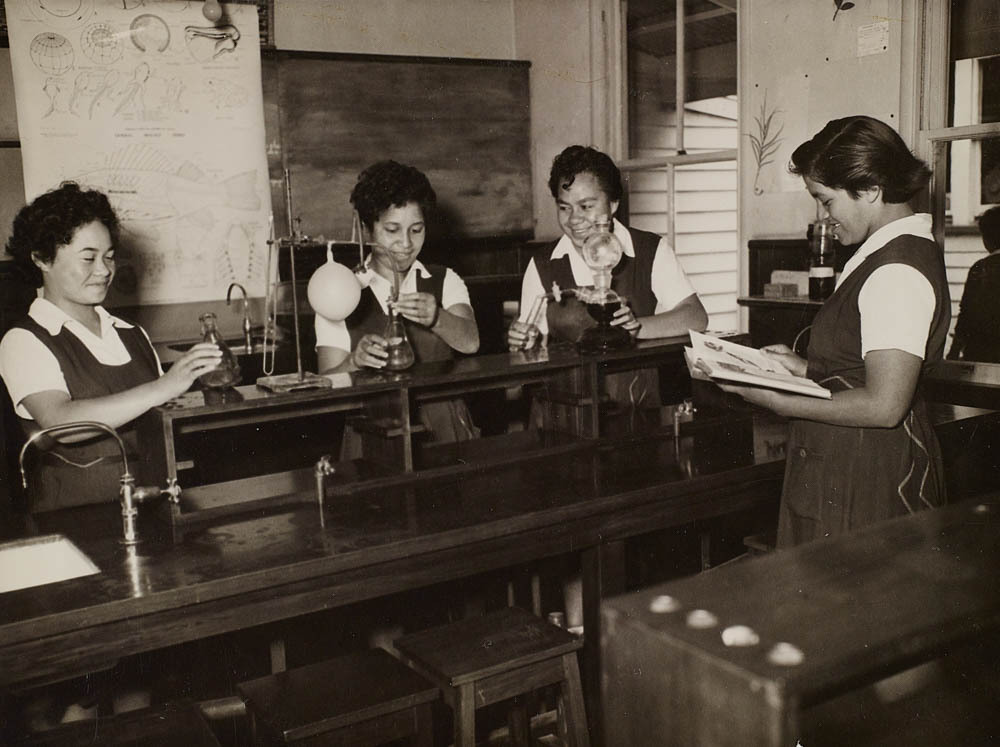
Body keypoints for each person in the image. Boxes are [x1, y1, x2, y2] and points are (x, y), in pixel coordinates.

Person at [720, 115, 950, 548]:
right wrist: (805, 368)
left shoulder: (896, 269)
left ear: (869, 189)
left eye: (826, 201)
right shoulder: (885, 253)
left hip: (866, 472)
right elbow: (865, 370)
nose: (824, 217)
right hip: (848, 462)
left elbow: (884, 404)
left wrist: (781, 401)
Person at [0, 182, 223, 514]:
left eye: (109, 257)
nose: (104, 271)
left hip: (155, 504)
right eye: (88, 258)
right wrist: (164, 386)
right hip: (79, 519)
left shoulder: (131, 333)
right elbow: (61, 423)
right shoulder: (24, 340)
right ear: (42, 258)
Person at [508, 145, 708, 405]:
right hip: (566, 411)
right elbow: (524, 364)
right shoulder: (543, 264)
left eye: (586, 206)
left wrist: (637, 327)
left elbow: (696, 316)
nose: (574, 219)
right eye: (564, 207)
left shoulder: (649, 249)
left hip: (637, 408)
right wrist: (522, 341)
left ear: (613, 204)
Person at [315, 160, 480, 442]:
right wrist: (354, 361)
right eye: (392, 230)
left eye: (416, 230)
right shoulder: (339, 291)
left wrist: (437, 317)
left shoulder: (443, 279)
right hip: (373, 436)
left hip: (446, 430)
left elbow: (470, 342)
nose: (406, 243)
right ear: (367, 229)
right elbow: (326, 386)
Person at [948, 205, 1000, 362]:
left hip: (981, 354)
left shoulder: (981, 269)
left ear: (986, 239)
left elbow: (966, 313)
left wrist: (954, 352)